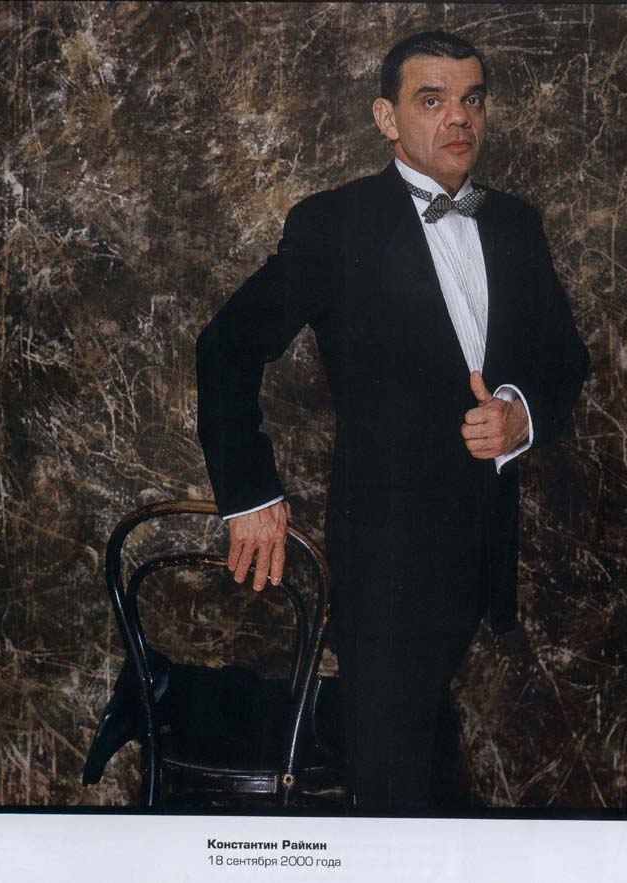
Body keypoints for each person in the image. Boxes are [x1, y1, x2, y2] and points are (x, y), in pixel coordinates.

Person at [196, 30, 589, 813]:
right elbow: (225, 347)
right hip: (386, 565)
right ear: (387, 117)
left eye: (472, 100)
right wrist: (249, 493)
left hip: (483, 557)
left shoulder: (517, 224)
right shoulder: (334, 223)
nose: (458, 118)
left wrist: (521, 412)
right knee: (392, 794)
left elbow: (566, 361)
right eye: (431, 100)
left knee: (429, 776)